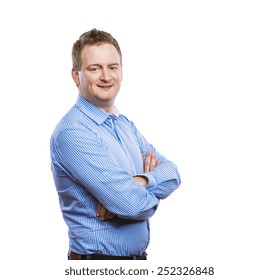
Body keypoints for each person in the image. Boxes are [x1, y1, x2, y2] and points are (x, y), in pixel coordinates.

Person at [50, 28, 181, 260]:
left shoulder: (124, 125)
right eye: (94, 68)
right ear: (75, 76)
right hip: (97, 265)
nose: (106, 77)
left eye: (113, 67)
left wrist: (140, 181)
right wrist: (126, 198)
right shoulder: (73, 132)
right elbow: (132, 205)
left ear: (121, 71)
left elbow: (173, 174)